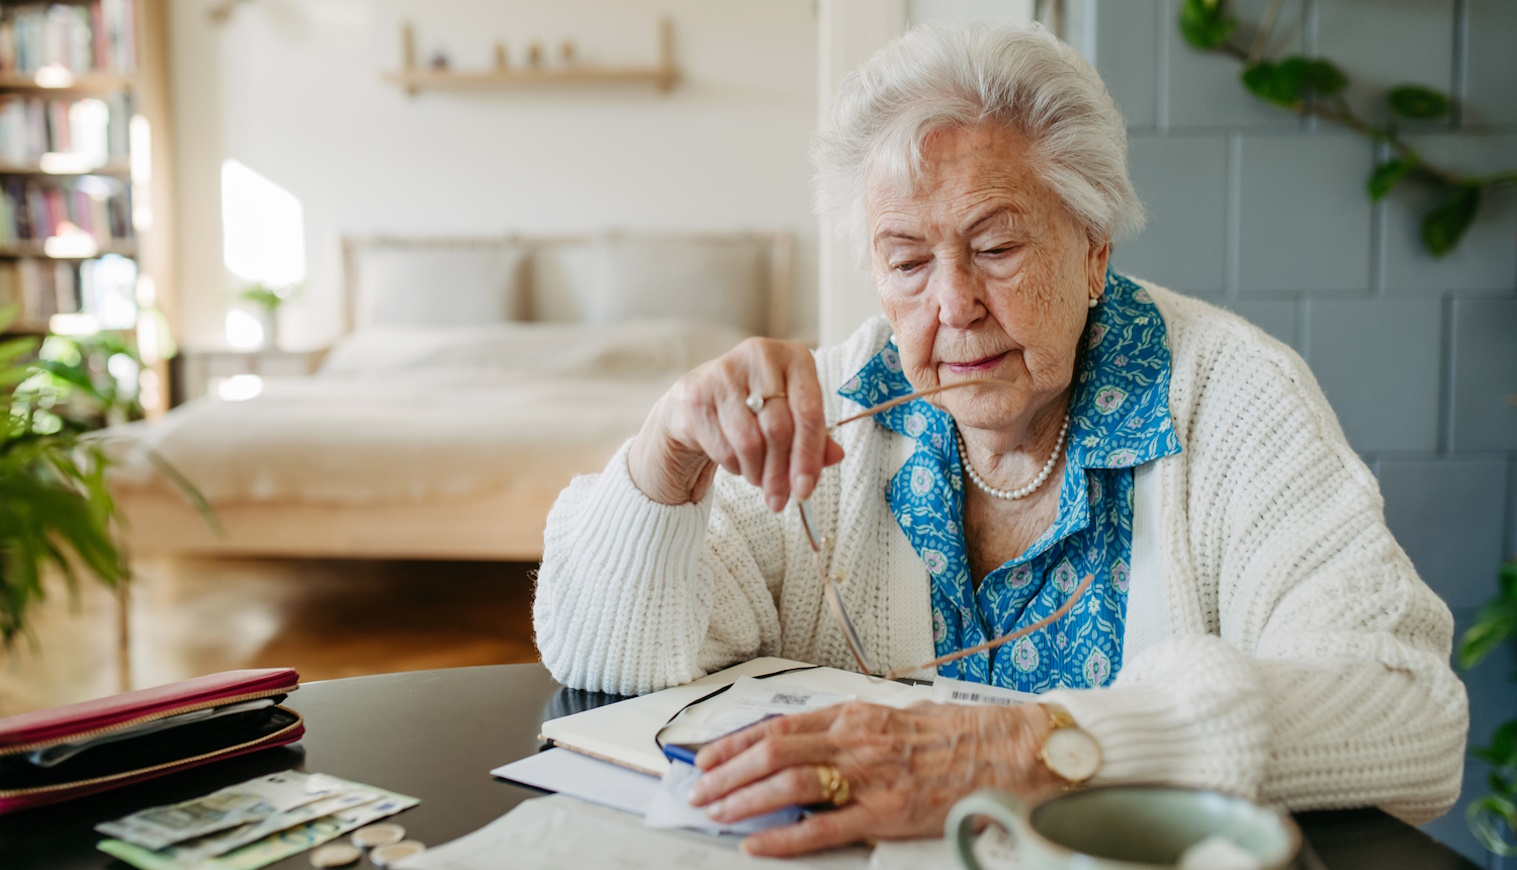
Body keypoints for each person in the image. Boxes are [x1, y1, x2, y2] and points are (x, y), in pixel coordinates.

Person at [533, 23, 1467, 857]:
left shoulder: (1228, 397)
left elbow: (1407, 713)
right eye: (906, 260)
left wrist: (1042, 745)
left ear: (1093, 245)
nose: (952, 305)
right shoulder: (835, 415)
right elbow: (610, 658)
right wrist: (664, 459)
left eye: (995, 246)